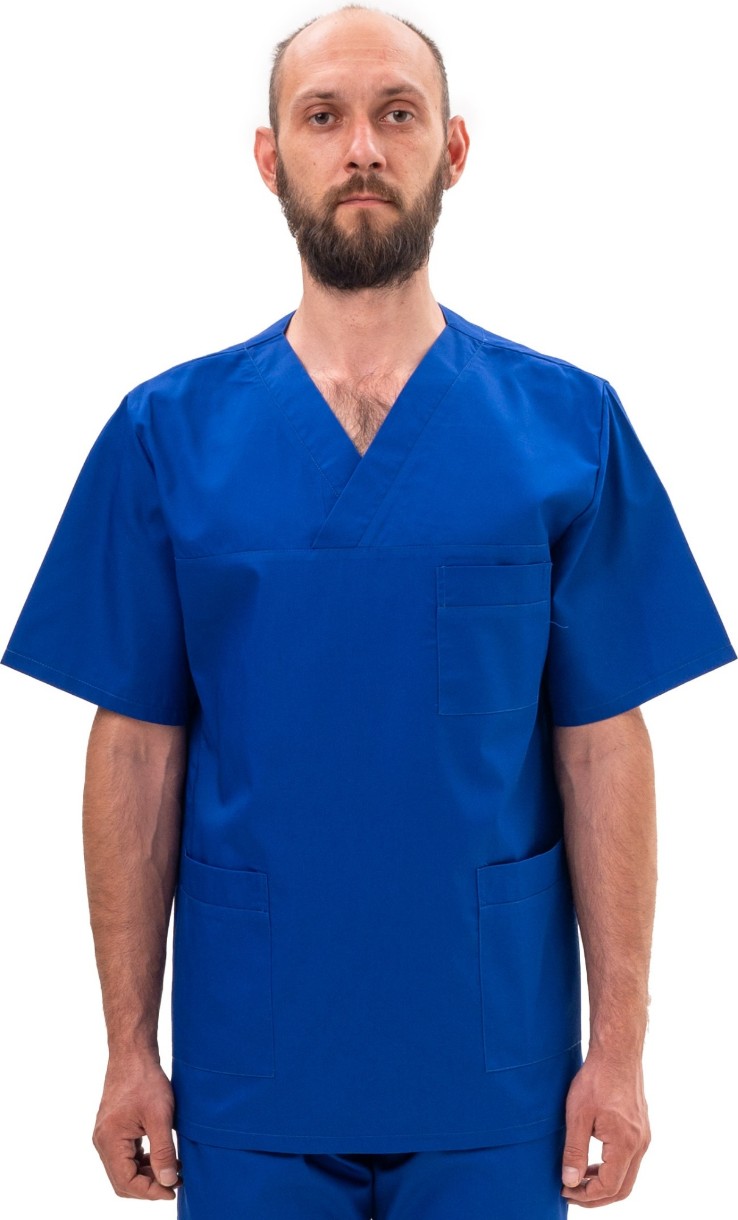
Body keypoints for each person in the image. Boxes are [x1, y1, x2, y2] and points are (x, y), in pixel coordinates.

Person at [2, 5, 735, 1218]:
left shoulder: (567, 429)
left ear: (453, 149)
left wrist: (621, 1050)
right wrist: (128, 1045)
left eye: (397, 114)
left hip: (496, 1073)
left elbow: (603, 743)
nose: (360, 148)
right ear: (268, 157)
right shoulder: (166, 435)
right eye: (322, 116)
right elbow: (134, 746)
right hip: (253, 1072)